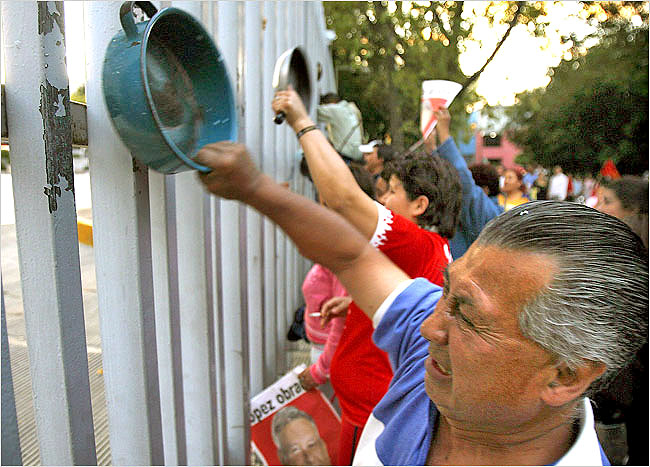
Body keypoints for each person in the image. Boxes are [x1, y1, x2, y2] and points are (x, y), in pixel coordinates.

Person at [195, 142, 647, 466]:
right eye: (446, 289)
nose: (430, 325)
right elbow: (353, 256)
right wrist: (254, 187)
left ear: (566, 374)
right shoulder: (437, 349)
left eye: (467, 315)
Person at [272, 88, 461, 464]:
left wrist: (301, 122)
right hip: (366, 405)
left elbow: (340, 200)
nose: (383, 202)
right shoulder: (432, 249)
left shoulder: (416, 241)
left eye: (391, 193)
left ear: (419, 205)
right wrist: (360, 302)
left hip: (367, 412)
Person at [594, 175, 648, 466]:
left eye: (607, 201)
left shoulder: (634, 265)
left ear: (632, 210)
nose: (599, 208)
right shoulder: (617, 254)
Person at [424, 109, 503, 259]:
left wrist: (444, 135)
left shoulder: (487, 213)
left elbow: (463, 184)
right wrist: (432, 150)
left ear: (485, 190)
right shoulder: (483, 212)